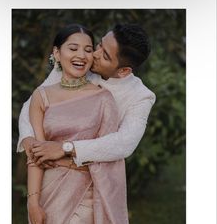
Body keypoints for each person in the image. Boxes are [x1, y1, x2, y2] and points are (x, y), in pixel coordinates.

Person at [23, 23, 130, 224]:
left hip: (83, 198)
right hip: (46, 192)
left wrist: (60, 154)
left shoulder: (104, 99)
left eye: (88, 49)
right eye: (73, 48)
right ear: (56, 54)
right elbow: (35, 156)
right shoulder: (41, 97)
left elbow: (106, 157)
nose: (81, 55)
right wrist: (33, 203)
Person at [18, 24, 156, 170]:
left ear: (124, 71)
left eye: (105, 55)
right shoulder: (78, 65)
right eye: (100, 45)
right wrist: (29, 141)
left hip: (95, 175)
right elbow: (34, 103)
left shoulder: (141, 96)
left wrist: (65, 148)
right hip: (48, 166)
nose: (95, 54)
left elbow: (124, 143)